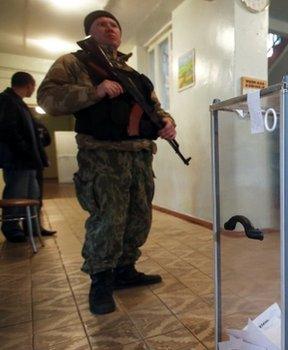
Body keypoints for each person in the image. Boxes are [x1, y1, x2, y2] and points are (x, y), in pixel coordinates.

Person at [37, 10, 177, 315]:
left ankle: (125, 269)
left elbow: (156, 108)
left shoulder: (132, 74)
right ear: (90, 33)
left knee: (139, 216)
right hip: (102, 156)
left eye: (114, 25)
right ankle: (101, 280)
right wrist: (94, 91)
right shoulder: (73, 62)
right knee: (108, 219)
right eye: (102, 24)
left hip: (139, 155)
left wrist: (167, 122)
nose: (110, 28)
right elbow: (46, 98)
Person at [0, 72, 49, 243]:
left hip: (28, 161)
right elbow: (8, 130)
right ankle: (11, 229)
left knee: (33, 196)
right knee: (16, 194)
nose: (33, 90)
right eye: (33, 87)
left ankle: (32, 228)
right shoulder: (7, 100)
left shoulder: (19, 103)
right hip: (17, 161)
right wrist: (26, 150)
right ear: (29, 85)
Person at [33, 119, 57, 236]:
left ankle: (34, 227)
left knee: (36, 197)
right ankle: (13, 230)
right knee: (21, 195)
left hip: (34, 161)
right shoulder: (9, 103)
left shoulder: (36, 122)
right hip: (21, 163)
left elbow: (47, 141)